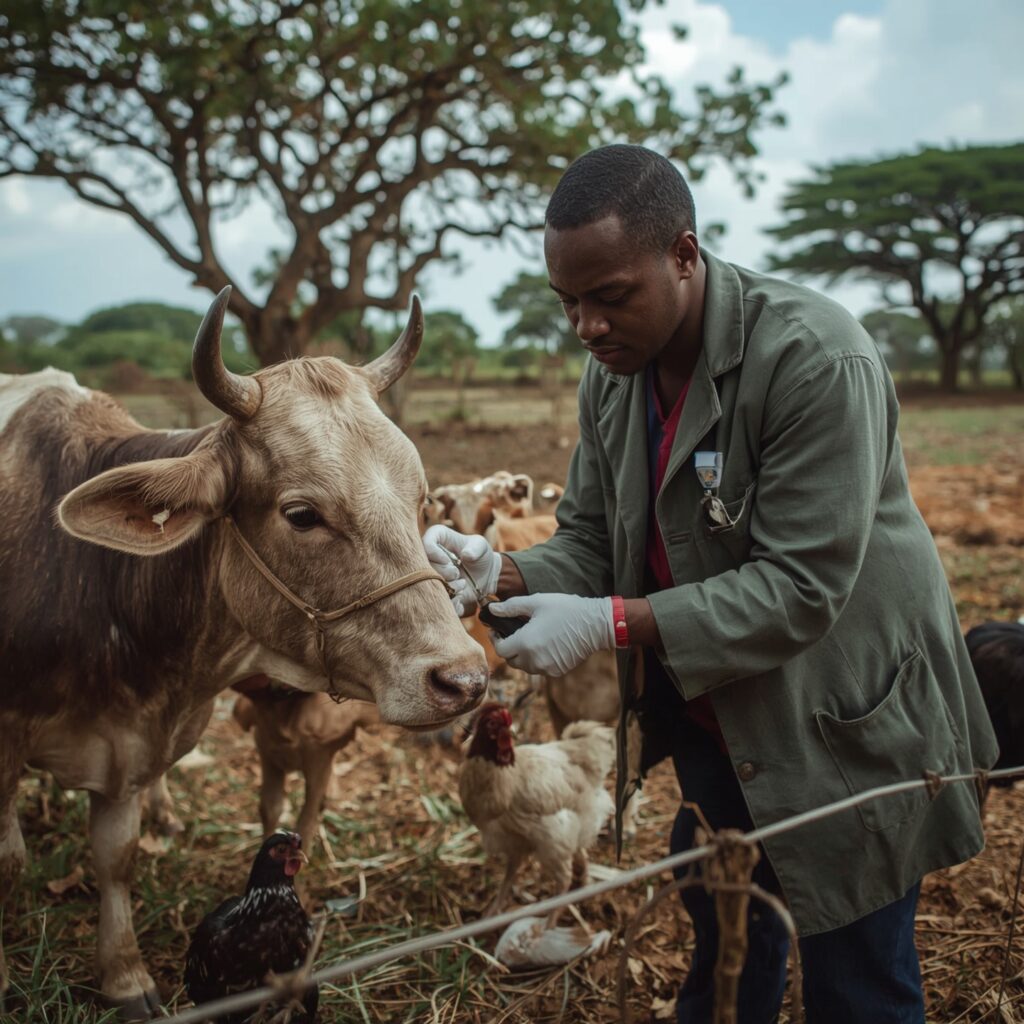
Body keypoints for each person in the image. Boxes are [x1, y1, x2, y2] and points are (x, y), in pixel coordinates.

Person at [424, 144, 997, 1023]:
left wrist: (611, 623)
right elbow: (591, 537)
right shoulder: (613, 378)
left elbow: (801, 587)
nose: (586, 326)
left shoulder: (815, 358)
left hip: (835, 720)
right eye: (568, 302)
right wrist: (498, 571)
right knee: (726, 934)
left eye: (610, 296)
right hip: (713, 714)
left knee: (857, 977)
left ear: (684, 256)